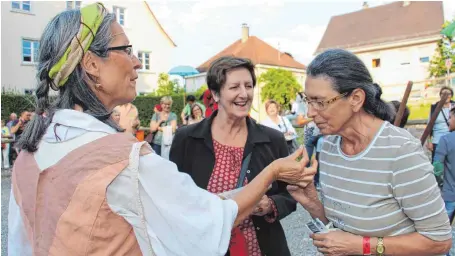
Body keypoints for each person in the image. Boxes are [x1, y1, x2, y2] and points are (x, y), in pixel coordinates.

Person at [7, 4, 315, 256]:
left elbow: (21, 245)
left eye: (248, 85)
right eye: (126, 49)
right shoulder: (120, 158)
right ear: (91, 63)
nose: (136, 62)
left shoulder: (29, 150)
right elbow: (206, 218)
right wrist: (272, 172)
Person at [287, 49, 452, 256]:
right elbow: (343, 229)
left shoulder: (401, 152)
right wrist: (312, 202)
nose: (310, 112)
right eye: (308, 100)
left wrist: (362, 246)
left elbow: (439, 241)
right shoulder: (329, 147)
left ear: (356, 98)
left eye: (320, 102)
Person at [170, 56, 312, 256]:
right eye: (234, 87)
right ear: (216, 93)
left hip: (261, 249)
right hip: (206, 248)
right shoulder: (187, 139)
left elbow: (289, 194)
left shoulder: (272, 139)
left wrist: (270, 205)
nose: (244, 94)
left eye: (248, 85)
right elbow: (173, 197)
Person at [434, 107, 455, 225]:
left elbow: (437, 166)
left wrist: (440, 184)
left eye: (451, 117)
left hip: (450, 192)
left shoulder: (446, 140)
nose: (448, 121)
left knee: (444, 227)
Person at [427, 86, 454, 163]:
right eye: (443, 93)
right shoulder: (434, 107)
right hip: (437, 141)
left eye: (448, 93)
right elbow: (429, 126)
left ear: (451, 95)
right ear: (440, 95)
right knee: (437, 165)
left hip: (452, 140)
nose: (446, 95)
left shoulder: (454, 107)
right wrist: (429, 141)